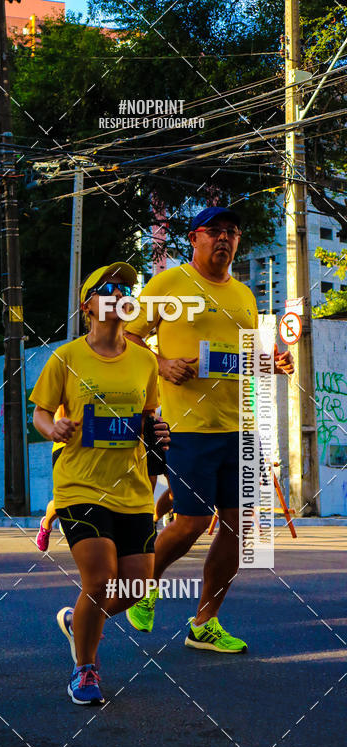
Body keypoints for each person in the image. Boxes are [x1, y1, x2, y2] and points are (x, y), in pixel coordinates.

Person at [125, 207, 293, 651]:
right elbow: (129, 339)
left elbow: (249, 355)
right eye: (214, 231)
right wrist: (161, 363)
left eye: (232, 232)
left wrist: (274, 363)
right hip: (188, 426)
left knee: (243, 529)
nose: (224, 238)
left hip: (240, 427)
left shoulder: (243, 295)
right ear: (193, 238)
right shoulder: (169, 284)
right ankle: (144, 582)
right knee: (192, 522)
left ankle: (205, 623)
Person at [31, 262, 169, 705]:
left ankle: (80, 622)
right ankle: (84, 670)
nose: (120, 292)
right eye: (108, 287)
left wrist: (159, 433)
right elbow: (40, 412)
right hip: (80, 486)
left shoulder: (146, 360)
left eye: (126, 287)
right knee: (101, 576)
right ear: (88, 304)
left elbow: (148, 418)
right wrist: (53, 429)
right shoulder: (66, 357)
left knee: (136, 585)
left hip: (130, 489)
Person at [35, 406, 66, 552]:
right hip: (66, 446)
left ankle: (69, 518)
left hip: (99, 449)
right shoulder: (68, 383)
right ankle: (46, 524)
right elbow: (45, 413)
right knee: (63, 499)